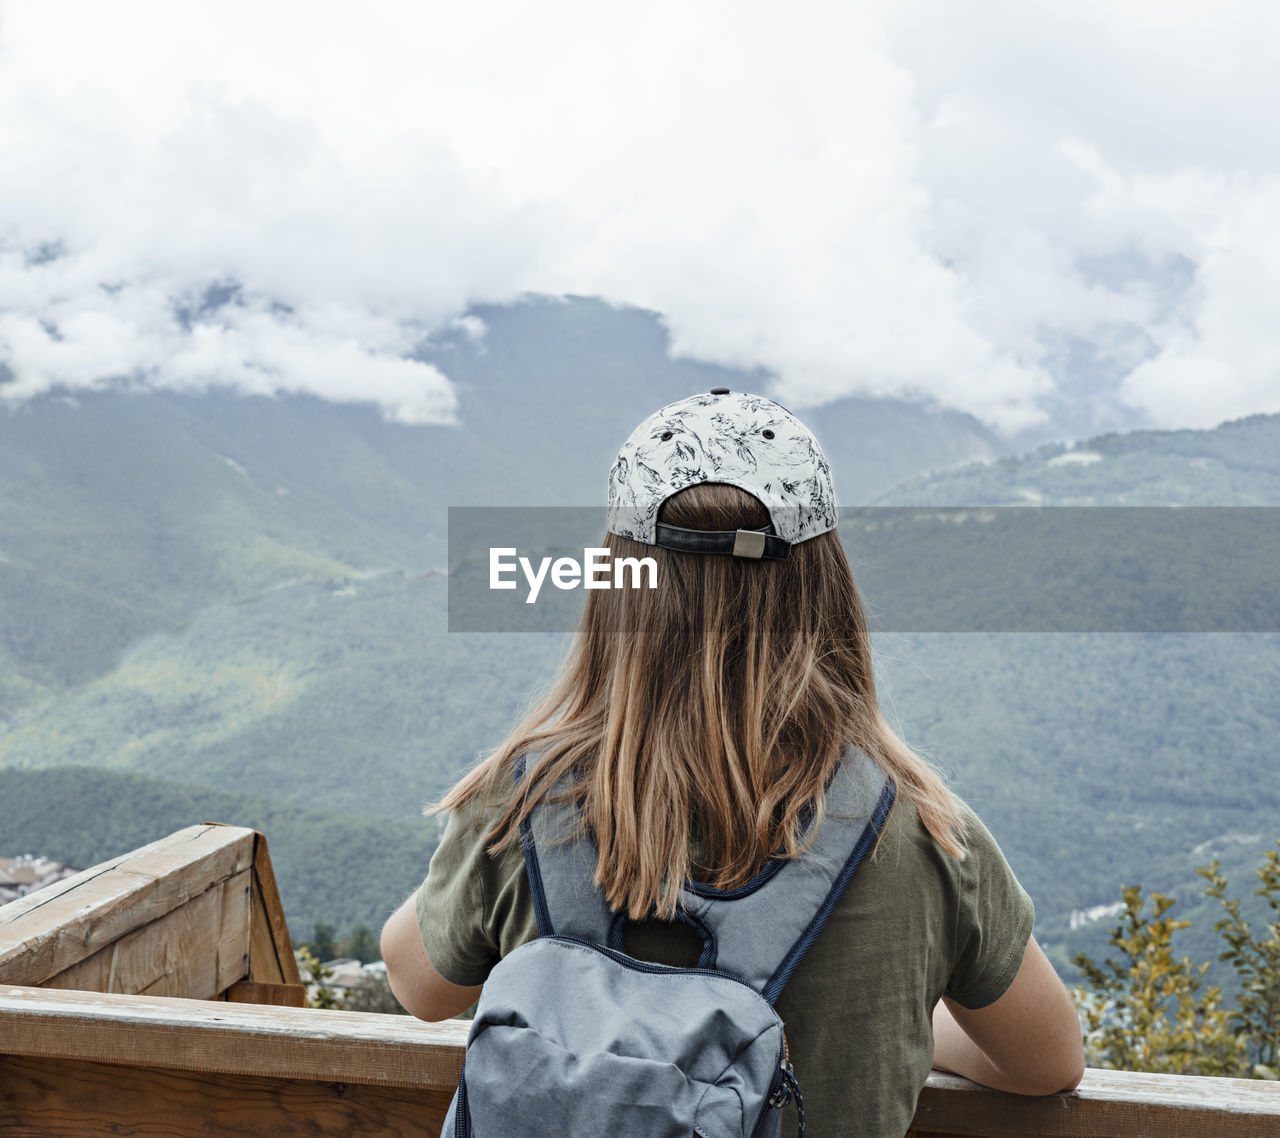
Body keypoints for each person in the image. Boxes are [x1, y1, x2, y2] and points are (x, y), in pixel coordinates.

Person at [382, 389, 1084, 1137]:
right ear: (824, 587)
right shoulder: (925, 836)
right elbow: (1048, 1063)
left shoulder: (527, 805)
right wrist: (914, 1031)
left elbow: (416, 982)